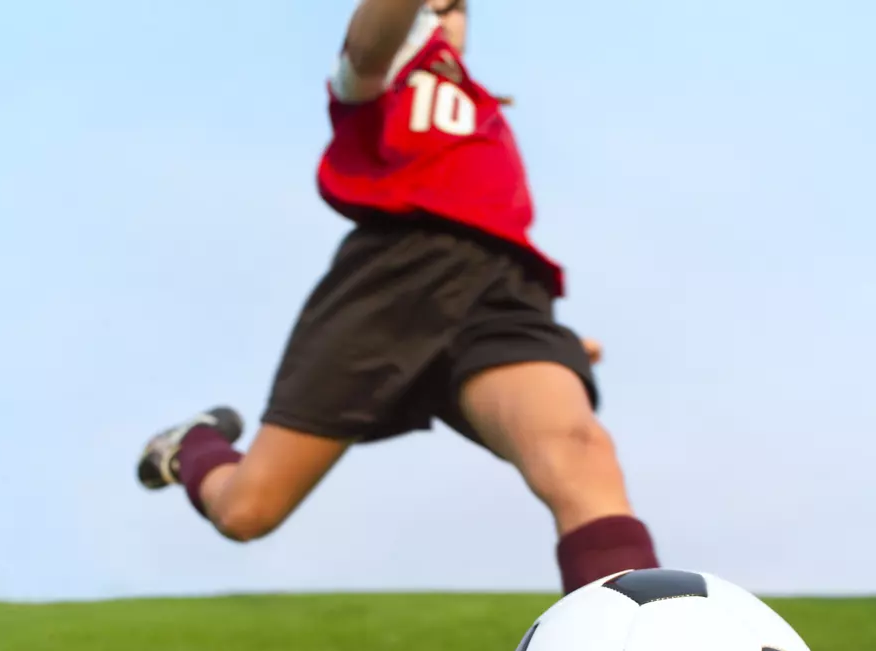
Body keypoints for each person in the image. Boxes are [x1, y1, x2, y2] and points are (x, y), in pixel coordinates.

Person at [136, 0, 661, 594]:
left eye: (456, 6)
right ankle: (193, 446)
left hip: (502, 299)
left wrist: (552, 343)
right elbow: (368, 42)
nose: (444, 12)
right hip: (391, 286)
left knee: (581, 453)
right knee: (246, 510)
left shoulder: (483, 110)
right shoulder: (381, 74)